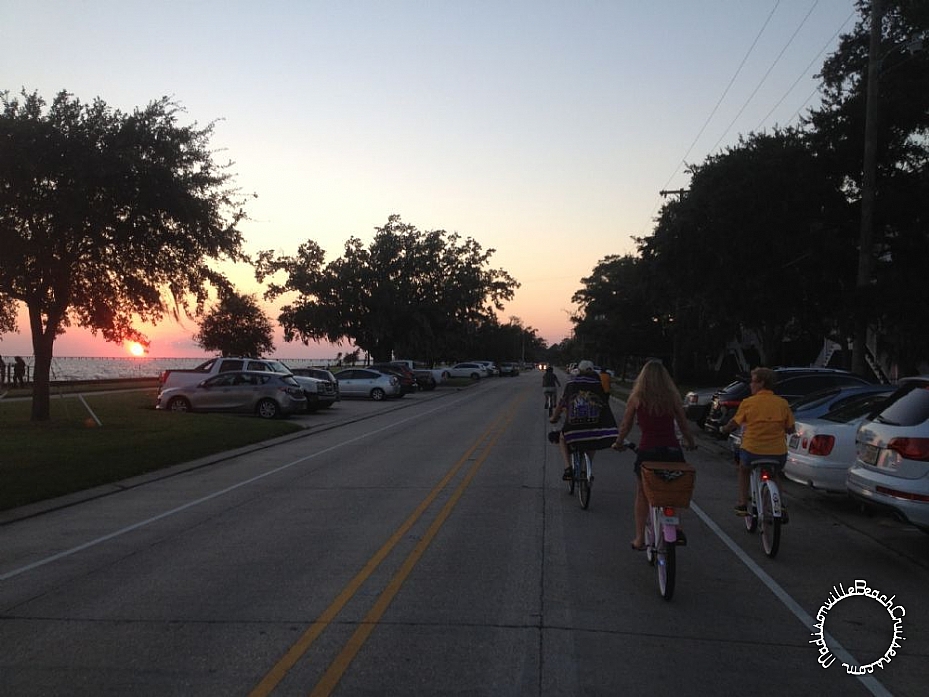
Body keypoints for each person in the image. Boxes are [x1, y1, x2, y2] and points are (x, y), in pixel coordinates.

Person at [613, 359, 695, 550]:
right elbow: (684, 425)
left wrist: (618, 443)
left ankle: (640, 538)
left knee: (643, 492)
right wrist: (691, 443)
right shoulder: (672, 398)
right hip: (673, 451)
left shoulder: (637, 398)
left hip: (648, 450)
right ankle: (678, 527)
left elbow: (626, 425)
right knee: (672, 490)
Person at [719, 366, 795, 520]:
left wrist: (724, 429)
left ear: (761, 383)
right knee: (774, 474)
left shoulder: (748, 403)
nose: (750, 385)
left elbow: (734, 422)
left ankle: (742, 504)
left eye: (753, 382)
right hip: (777, 453)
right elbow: (790, 428)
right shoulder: (782, 403)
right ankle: (780, 505)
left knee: (743, 469)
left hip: (752, 452)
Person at [549, 360, 617, 480]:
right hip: (593, 424)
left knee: (562, 437)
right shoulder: (597, 384)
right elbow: (603, 404)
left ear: (579, 371)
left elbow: (562, 403)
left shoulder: (572, 383)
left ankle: (568, 468)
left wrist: (554, 417)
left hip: (575, 426)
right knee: (593, 439)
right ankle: (588, 467)